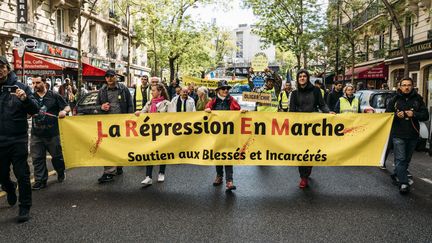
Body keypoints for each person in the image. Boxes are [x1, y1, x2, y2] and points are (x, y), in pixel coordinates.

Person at [0, 56, 39, 222]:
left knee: (22, 174)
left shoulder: (20, 87)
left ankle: (24, 207)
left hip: (17, 138)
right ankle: (9, 187)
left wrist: (25, 99)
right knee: (1, 175)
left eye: (1, 66)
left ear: (7, 68)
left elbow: (35, 109)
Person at [386, 77, 429, 194]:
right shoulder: (394, 99)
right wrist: (396, 115)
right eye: (404, 85)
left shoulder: (418, 99)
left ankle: (396, 174)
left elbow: (425, 115)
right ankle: (404, 183)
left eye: (409, 85)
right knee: (400, 159)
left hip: (413, 134)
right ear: (400, 86)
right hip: (398, 134)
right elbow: (387, 115)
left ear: (412, 86)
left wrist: (414, 114)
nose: (406, 87)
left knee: (406, 159)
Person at [288, 69, 331, 189]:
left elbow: (322, 104)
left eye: (304, 76)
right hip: (299, 128)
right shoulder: (294, 93)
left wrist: (328, 112)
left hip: (312, 127)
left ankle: (307, 171)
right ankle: (303, 177)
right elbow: (291, 111)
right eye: (300, 76)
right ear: (297, 79)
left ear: (307, 78)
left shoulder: (316, 90)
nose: (302, 78)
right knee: (301, 152)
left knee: (310, 152)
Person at [30, 75, 70, 190]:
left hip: (52, 133)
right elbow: (27, 113)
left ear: (44, 83)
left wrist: (63, 111)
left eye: (37, 83)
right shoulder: (31, 97)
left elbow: (67, 107)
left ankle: (60, 172)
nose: (35, 86)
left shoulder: (54, 95)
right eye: (33, 83)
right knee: (37, 158)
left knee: (57, 157)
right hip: (36, 134)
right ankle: (40, 181)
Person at [96, 70, 134, 183]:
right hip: (107, 125)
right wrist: (101, 107)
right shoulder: (102, 90)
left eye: (111, 76)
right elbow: (97, 106)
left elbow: (130, 105)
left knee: (119, 146)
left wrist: (129, 120)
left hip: (122, 123)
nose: (109, 78)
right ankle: (109, 172)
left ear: (116, 77)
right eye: (107, 77)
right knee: (108, 147)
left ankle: (119, 166)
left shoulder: (123, 89)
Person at [205, 80, 242, 191]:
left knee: (228, 156)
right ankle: (219, 176)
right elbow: (206, 110)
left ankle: (229, 181)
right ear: (218, 91)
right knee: (218, 156)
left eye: (227, 89)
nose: (226, 90)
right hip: (217, 135)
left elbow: (238, 110)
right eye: (223, 89)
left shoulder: (231, 100)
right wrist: (207, 110)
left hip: (228, 134)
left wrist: (242, 112)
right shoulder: (213, 101)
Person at [135, 83, 171, 186]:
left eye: (154, 90)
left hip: (163, 132)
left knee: (162, 152)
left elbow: (173, 118)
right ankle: (148, 176)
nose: (151, 92)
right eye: (151, 90)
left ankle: (161, 172)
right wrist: (138, 113)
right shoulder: (149, 103)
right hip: (151, 133)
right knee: (149, 152)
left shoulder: (167, 104)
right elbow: (142, 113)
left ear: (160, 91)